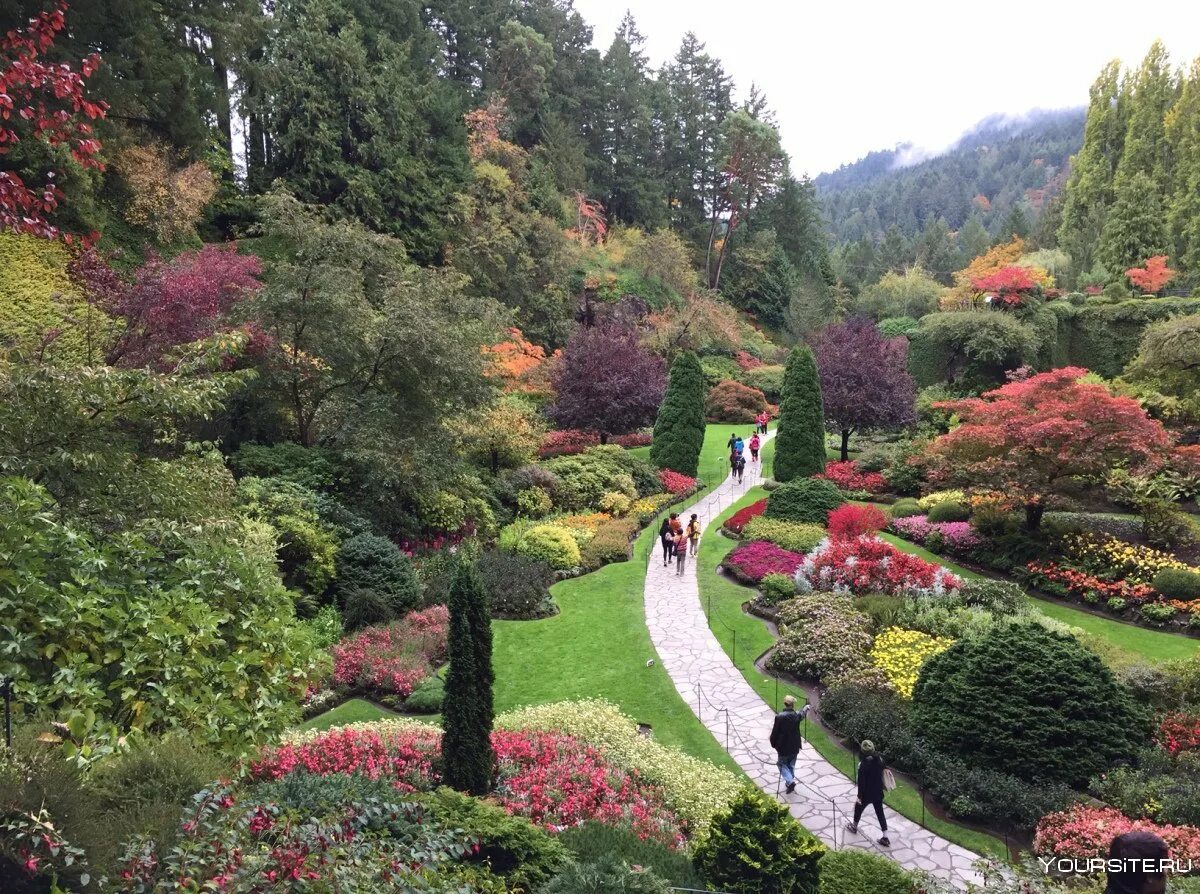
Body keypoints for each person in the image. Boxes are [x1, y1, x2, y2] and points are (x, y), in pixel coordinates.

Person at [846, 740, 890, 847]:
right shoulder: (879, 759)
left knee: (858, 807)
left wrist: (859, 797)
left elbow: (862, 783)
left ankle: (854, 826)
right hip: (878, 792)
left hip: (867, 793)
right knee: (880, 813)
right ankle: (885, 836)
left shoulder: (863, 764)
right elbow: (884, 767)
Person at [769, 694, 810, 794]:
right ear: (792, 705)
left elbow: (775, 732)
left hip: (783, 747)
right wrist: (806, 707)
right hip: (794, 746)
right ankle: (789, 784)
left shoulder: (779, 717)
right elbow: (802, 714)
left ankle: (790, 781)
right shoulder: (796, 716)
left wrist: (773, 743)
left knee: (781, 764)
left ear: (785, 704)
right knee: (791, 765)